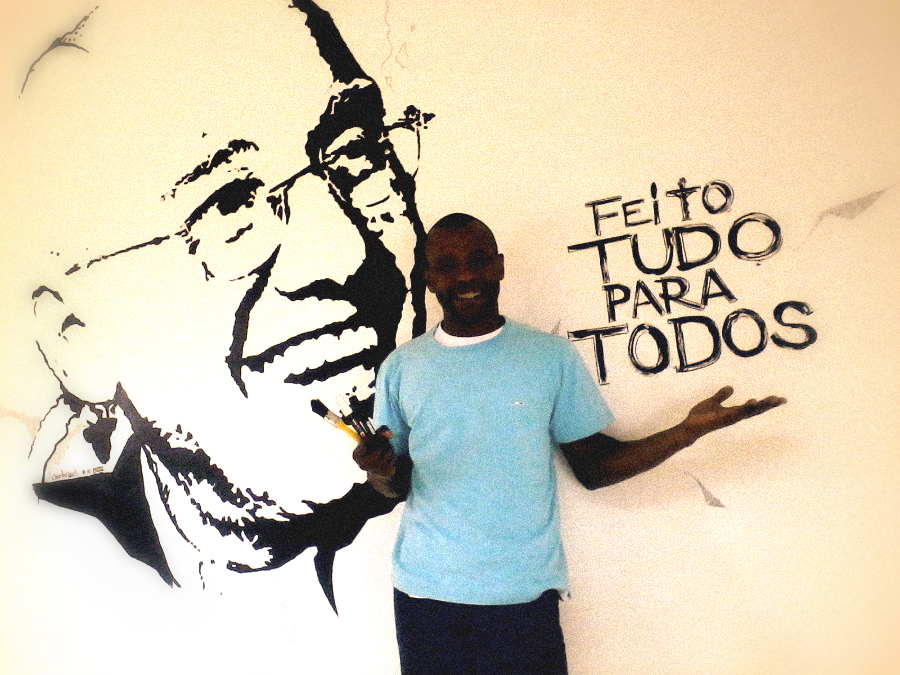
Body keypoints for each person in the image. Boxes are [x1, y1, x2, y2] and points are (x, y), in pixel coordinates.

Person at [20, 0, 428, 607]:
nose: (345, 256)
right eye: (230, 205)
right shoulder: (56, 588)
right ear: (74, 336)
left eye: (357, 154)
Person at [353, 213, 787, 675]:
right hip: (425, 596)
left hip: (525, 596)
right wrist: (380, 471)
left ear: (499, 266)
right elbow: (395, 486)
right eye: (447, 264)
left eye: (478, 260)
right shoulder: (402, 368)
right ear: (428, 277)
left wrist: (686, 432)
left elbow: (595, 468)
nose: (465, 276)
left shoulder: (549, 357)